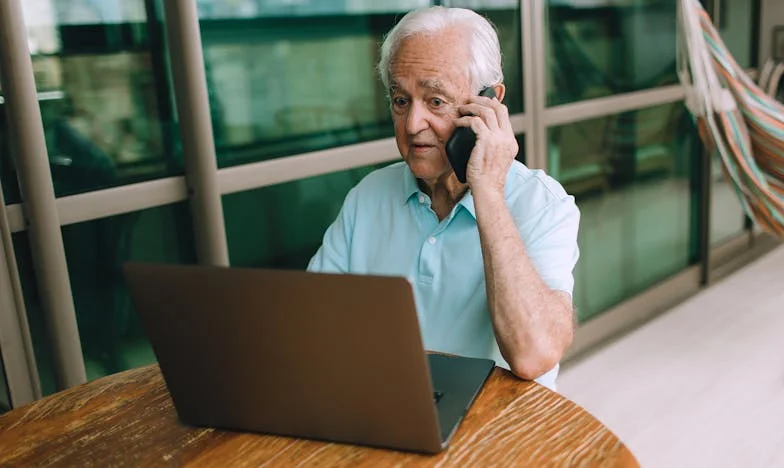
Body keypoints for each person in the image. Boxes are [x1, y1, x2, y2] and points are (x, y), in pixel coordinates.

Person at [307, 6, 579, 390]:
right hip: (386, 406)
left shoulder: (544, 205)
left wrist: (487, 191)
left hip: (497, 430)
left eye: (435, 101)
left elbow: (533, 354)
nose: (413, 124)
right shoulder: (367, 197)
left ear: (490, 103)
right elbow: (311, 324)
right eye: (401, 101)